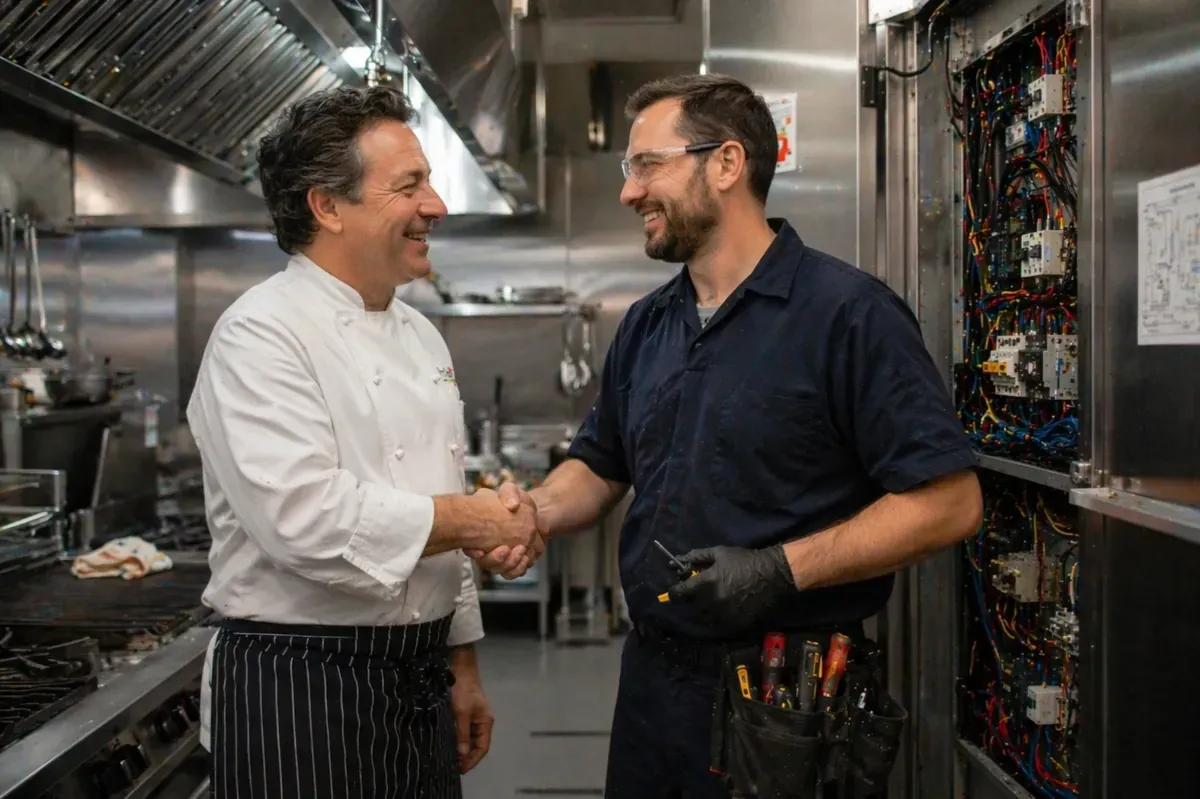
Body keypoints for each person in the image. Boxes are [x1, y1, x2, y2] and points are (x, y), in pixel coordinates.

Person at [483, 73, 984, 797]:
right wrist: (536, 511)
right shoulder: (649, 324)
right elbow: (599, 463)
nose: (630, 192)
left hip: (785, 704)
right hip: (653, 687)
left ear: (725, 163)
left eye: (647, 165)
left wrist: (779, 569)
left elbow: (949, 502)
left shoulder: (848, 315)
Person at [188, 84, 544, 799]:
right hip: (301, 687)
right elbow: (306, 519)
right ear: (326, 205)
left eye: (430, 182)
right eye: (410, 185)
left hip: (419, 676)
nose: (435, 205)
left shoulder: (420, 333)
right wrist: (474, 520)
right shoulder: (261, 333)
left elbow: (433, 499)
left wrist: (463, 661)